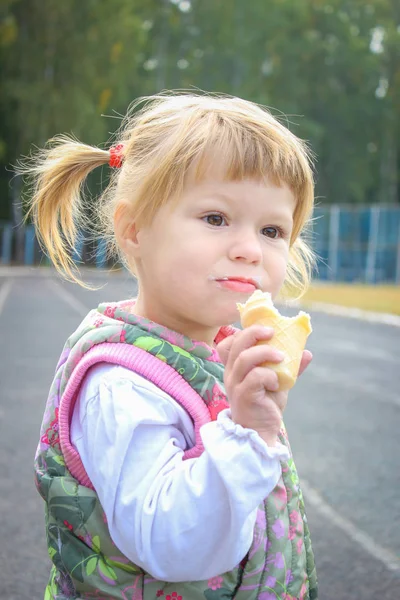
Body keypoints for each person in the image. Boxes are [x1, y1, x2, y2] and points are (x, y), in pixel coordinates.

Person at [24, 93, 318, 600]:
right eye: (215, 218)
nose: (249, 248)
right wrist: (248, 433)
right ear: (135, 230)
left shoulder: (215, 352)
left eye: (272, 230)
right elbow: (170, 545)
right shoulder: (122, 386)